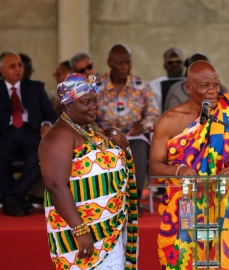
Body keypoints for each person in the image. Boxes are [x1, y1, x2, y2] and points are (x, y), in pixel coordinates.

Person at [149, 60, 229, 269]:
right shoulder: (168, 121)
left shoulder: (228, 114)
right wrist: (178, 170)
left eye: (216, 84)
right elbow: (154, 166)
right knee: (188, 261)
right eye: (205, 85)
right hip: (187, 204)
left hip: (226, 202)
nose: (213, 91)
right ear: (189, 87)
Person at [38, 73, 138, 269]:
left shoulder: (91, 129)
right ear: (68, 105)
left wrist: (124, 146)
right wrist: (80, 230)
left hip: (110, 229)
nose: (94, 106)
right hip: (84, 233)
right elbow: (56, 186)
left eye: (95, 100)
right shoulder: (59, 136)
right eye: (86, 102)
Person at [0, 51, 57, 216]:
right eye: (13, 66)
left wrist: (47, 125)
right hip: (3, 134)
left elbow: (51, 115)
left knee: (43, 155)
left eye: (20, 65)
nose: (18, 69)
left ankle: (11, 200)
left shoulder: (36, 87)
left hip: (31, 134)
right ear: (2, 71)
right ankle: (18, 200)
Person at [96, 44, 159, 216]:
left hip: (133, 135)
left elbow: (153, 114)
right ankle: (106, 200)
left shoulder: (141, 85)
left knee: (138, 148)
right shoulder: (97, 85)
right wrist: (99, 129)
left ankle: (134, 200)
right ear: (109, 63)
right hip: (104, 134)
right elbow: (88, 112)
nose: (125, 67)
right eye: (120, 63)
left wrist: (143, 126)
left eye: (128, 63)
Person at [149, 47, 185, 113]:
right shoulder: (154, 85)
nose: (175, 64)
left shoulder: (192, 82)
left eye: (178, 62)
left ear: (183, 64)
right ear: (165, 65)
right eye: (170, 62)